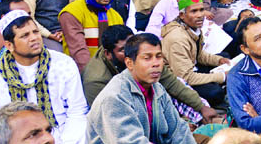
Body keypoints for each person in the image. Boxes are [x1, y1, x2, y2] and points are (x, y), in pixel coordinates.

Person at [83, 33, 204, 144]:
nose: (156, 64)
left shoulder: (156, 88)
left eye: (159, 57)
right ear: (130, 63)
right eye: (147, 58)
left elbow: (178, 130)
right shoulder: (114, 97)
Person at [0, 11, 88, 144]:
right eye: (24, 35)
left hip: (60, 140)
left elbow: (77, 111)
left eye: (35, 32)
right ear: (9, 45)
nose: (34, 38)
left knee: (93, 137)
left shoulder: (63, 64)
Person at [82, 25, 217, 123]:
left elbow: (173, 84)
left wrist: (201, 107)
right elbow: (108, 118)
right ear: (108, 54)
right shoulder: (96, 80)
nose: (129, 51)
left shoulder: (144, 57)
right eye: (122, 50)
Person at [161, 0, 230, 107]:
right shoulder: (177, 38)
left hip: (190, 67)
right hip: (178, 80)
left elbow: (198, 55)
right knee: (215, 93)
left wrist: (219, 60)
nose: (200, 15)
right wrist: (221, 76)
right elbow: (186, 77)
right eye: (194, 11)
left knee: (225, 57)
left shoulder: (192, 28)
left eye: (201, 10)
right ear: (182, 15)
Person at [59, 0, 124, 71]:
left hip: (110, 71)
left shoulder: (116, 16)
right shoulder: (72, 12)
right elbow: (79, 52)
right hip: (78, 72)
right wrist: (91, 76)